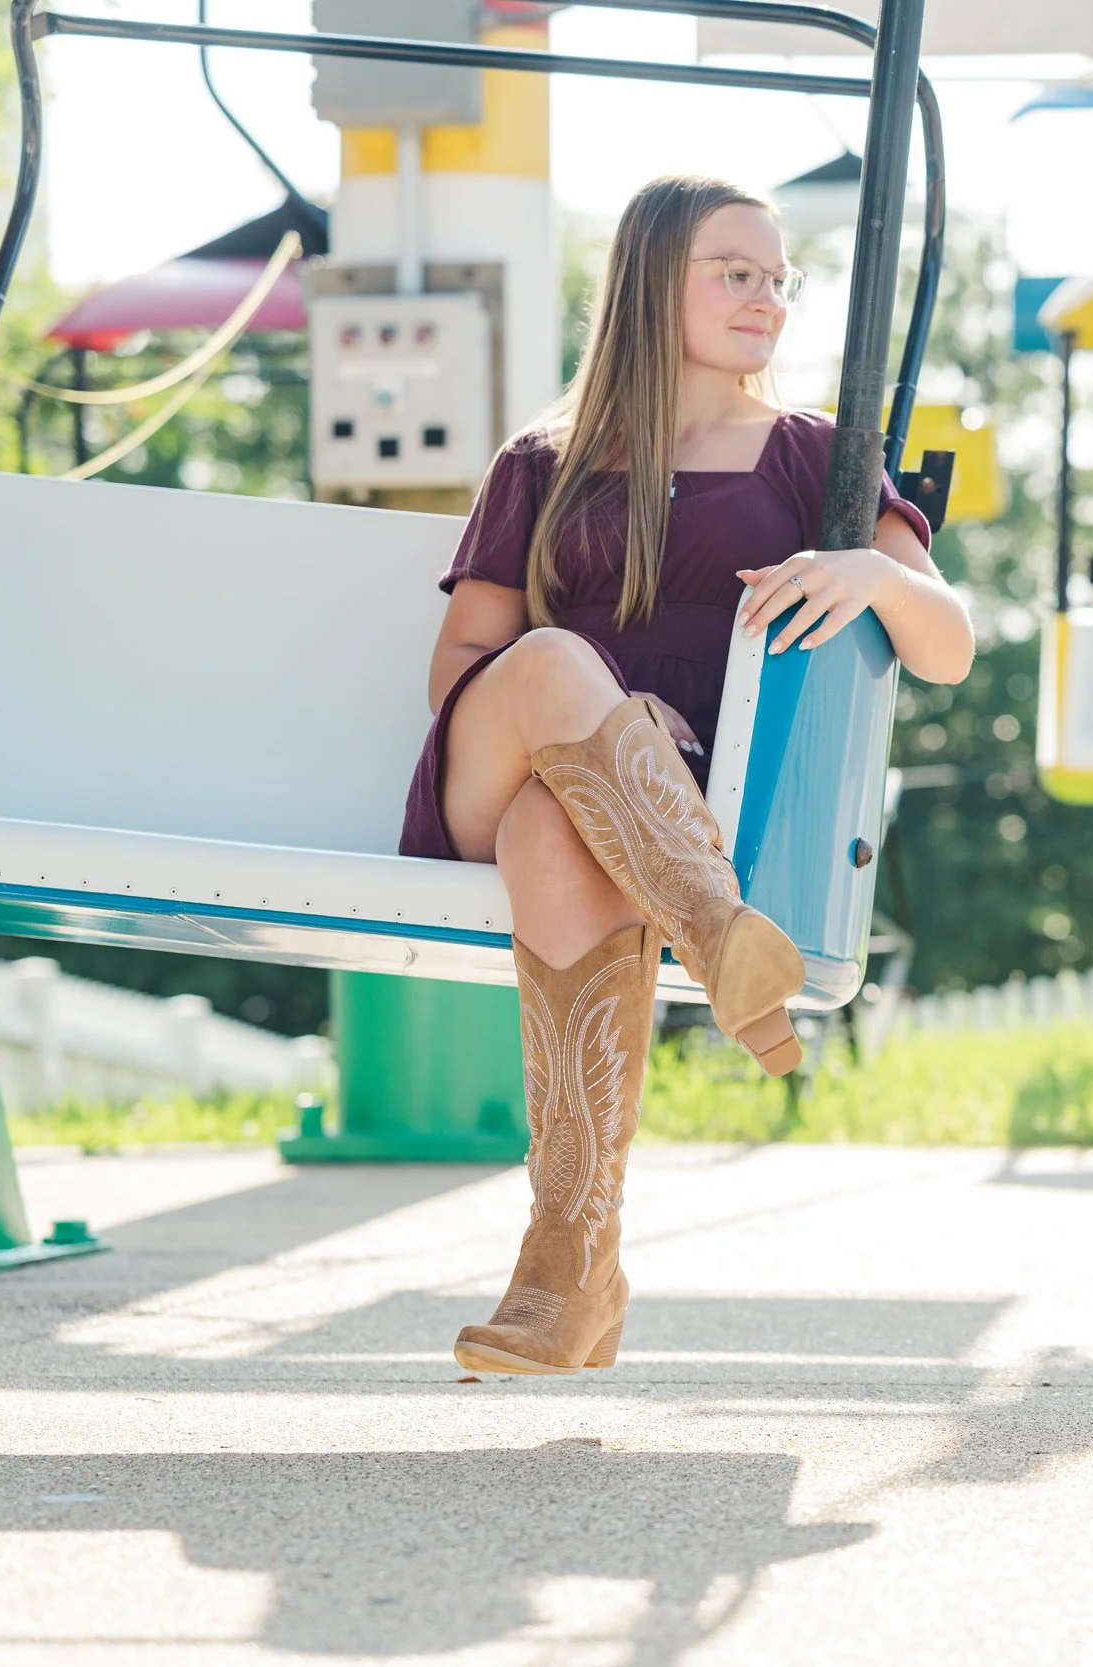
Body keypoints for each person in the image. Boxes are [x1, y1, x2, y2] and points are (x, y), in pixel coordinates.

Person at [396, 174, 974, 1376]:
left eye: (777, 278)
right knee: (553, 661)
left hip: (636, 816)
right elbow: (462, 661)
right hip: (492, 775)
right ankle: (720, 935)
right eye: (736, 271)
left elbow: (947, 643)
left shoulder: (821, 456)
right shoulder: (542, 460)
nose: (767, 296)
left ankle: (567, 1269)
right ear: (657, 280)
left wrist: (874, 574)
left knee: (564, 828)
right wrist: (599, 706)